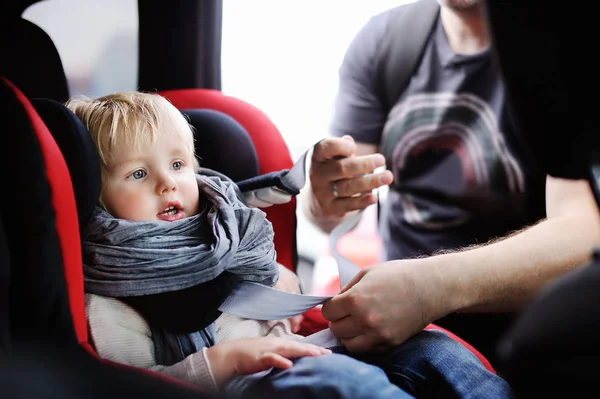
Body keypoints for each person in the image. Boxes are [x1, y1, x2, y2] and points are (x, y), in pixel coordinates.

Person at [67, 91, 510, 398]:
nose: (168, 183)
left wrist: (284, 290)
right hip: (251, 383)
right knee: (336, 381)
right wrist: (225, 361)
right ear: (98, 199)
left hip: (303, 349)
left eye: (179, 164)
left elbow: (280, 300)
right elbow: (135, 385)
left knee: (430, 351)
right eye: (138, 174)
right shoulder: (111, 299)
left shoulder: (226, 233)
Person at [301, 0, 600, 365]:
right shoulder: (387, 42)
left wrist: (430, 287)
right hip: (394, 326)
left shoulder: (558, 50)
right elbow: (333, 205)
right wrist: (321, 201)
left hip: (527, 332)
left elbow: (586, 234)